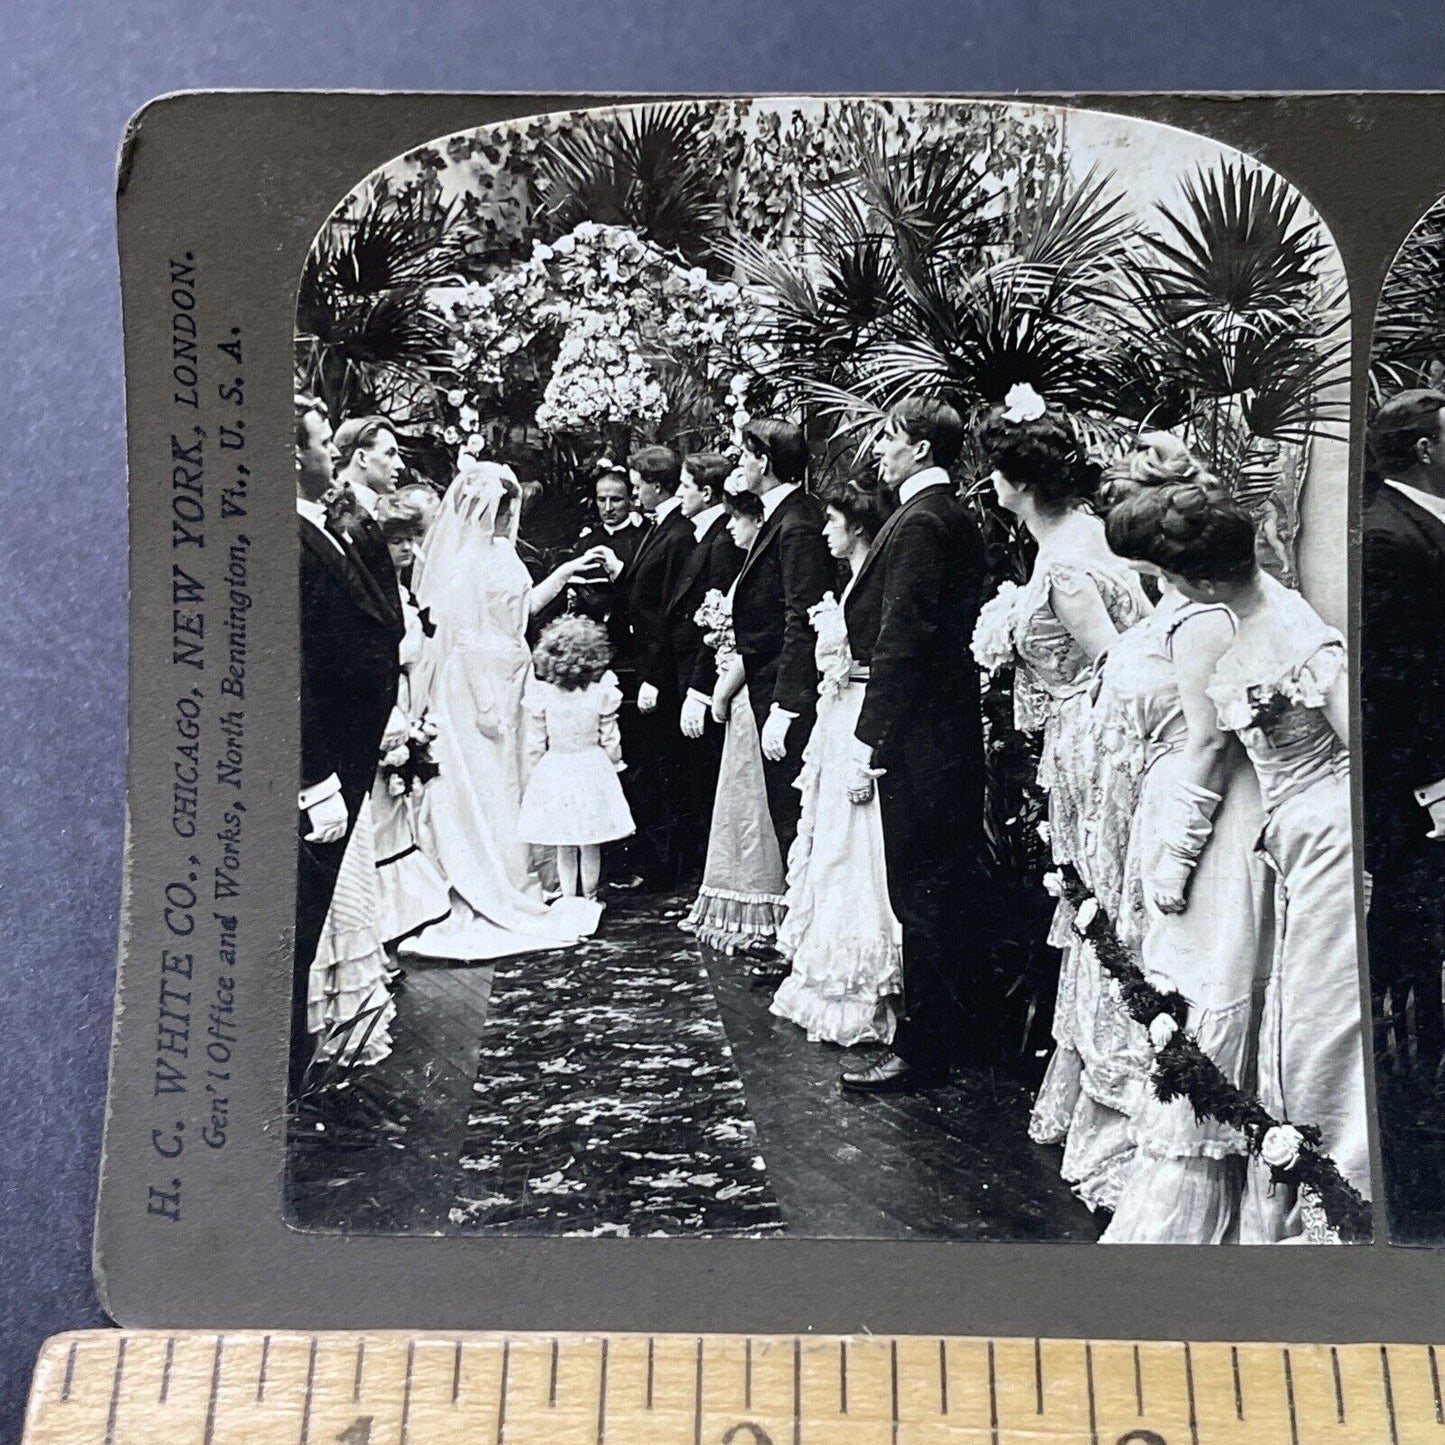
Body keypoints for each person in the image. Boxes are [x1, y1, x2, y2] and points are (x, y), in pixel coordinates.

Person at [1136, 483, 1371, 1240]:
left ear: (1200, 582)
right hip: (1296, 842)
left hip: (1332, 839)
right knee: (1294, 1026)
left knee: (1320, 1027)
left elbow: (1361, 750)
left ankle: (1342, 1200)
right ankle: (1307, 1196)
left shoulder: (1298, 640)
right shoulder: (1251, 611)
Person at [1089, 438, 1273, 1245]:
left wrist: (1176, 851)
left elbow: (1210, 742)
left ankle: (1192, 1217)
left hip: (1210, 819)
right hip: (1168, 799)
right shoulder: (1178, 605)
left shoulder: (1200, 618)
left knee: (1202, 992)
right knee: (1173, 995)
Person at [970, 394, 1152, 1205]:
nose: (988, 485)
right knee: (1090, 909)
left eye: (994, 474)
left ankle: (1122, 1092)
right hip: (1074, 746)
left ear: (1015, 482)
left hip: (1094, 749)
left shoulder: (1070, 563)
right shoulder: (1077, 537)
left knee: (1098, 905)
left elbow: (1120, 669)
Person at [401, 459, 612, 960]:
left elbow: (518, 613)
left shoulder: (501, 553)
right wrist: (485, 703)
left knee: (514, 778)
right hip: (478, 684)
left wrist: (562, 574)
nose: (508, 515)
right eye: (501, 505)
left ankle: (518, 873)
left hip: (511, 674)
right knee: (486, 782)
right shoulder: (465, 561)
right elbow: (467, 633)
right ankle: (489, 874)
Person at [834, 399, 987, 1092]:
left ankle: (925, 1049)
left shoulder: (925, 520)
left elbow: (904, 636)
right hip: (938, 726)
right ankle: (948, 1035)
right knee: (935, 882)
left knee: (921, 886)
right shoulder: (934, 514)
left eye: (890, 440)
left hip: (924, 731)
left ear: (922, 449)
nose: (879, 451)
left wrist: (872, 736)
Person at [293, 396, 404, 1094]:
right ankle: (284, 1081)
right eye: (320, 442)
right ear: (291, 455)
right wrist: (315, 780)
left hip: (353, 751)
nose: (329, 453)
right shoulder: (288, 536)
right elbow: (294, 665)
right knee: (302, 918)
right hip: (326, 762)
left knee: (319, 910)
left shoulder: (328, 524)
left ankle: (296, 1068)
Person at [770, 478, 903, 1048]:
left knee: (856, 848)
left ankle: (862, 988)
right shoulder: (850, 585)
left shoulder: (871, 591)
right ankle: (825, 979)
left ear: (859, 529)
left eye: (833, 523)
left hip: (858, 719)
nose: (825, 532)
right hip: (837, 716)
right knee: (830, 846)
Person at [1361, 390, 1445, 1077]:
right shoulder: (1388, 536)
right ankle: (1412, 1075)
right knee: (1414, 930)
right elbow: (1396, 681)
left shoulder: (1418, 525)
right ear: (1424, 448)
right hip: (1421, 782)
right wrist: (1430, 784)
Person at [730, 420, 836, 949]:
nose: (738, 464)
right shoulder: (786, 516)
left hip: (787, 690)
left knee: (795, 817)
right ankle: (802, 938)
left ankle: (806, 943)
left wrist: (787, 705)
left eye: (744, 455)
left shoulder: (795, 525)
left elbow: (802, 617)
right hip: (770, 682)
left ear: (766, 462)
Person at [681, 487, 787, 952]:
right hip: (741, 688)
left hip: (751, 690)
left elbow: (762, 639)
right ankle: (730, 898)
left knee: (750, 794)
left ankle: (757, 903)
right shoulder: (747, 569)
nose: (729, 528)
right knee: (737, 792)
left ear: (757, 523)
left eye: (737, 520)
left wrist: (722, 690)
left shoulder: (765, 574)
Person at [604, 444, 697, 889]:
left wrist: (653, 678)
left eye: (638, 486)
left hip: (661, 671)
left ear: (657, 487)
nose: (634, 494)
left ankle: (669, 869)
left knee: (665, 768)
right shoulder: (664, 528)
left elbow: (670, 610)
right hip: (647, 662)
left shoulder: (678, 533)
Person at [370, 491, 450, 946]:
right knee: (383, 810)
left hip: (409, 698)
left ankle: (399, 923)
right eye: (396, 540)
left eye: (411, 539)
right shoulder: (376, 594)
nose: (406, 548)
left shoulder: (404, 592)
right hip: (386, 704)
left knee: (400, 804)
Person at [518, 615, 635, 915]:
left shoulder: (544, 697)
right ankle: (591, 896)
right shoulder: (601, 694)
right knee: (589, 840)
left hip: (556, 768)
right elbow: (610, 738)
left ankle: (569, 898)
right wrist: (615, 762)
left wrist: (534, 773)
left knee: (564, 840)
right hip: (591, 767)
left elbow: (534, 743)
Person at [673, 453, 747, 884]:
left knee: (708, 783)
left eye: (685, 486)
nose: (679, 494)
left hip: (712, 676)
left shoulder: (723, 541)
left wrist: (701, 690)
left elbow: (716, 620)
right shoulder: (707, 535)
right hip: (702, 674)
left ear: (707, 492)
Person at [334, 415, 406, 515]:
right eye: (390, 454)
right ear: (362, 458)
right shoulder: (330, 507)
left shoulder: (373, 510)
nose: (401, 465)